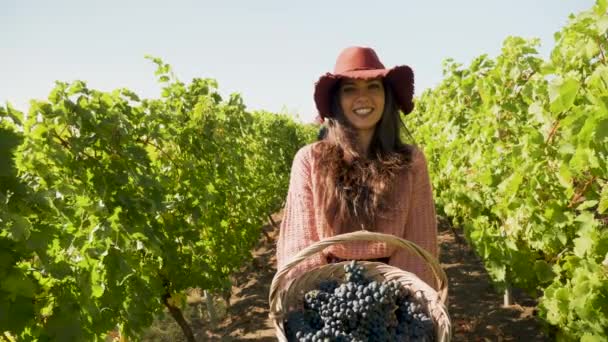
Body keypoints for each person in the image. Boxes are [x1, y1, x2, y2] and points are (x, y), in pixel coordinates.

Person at [276, 46, 439, 290]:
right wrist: (320, 299)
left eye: (373, 86)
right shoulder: (310, 160)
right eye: (349, 90)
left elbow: (419, 244)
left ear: (386, 96)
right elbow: (301, 245)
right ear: (337, 101)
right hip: (326, 292)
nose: (362, 98)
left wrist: (395, 301)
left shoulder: (411, 162)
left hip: (393, 292)